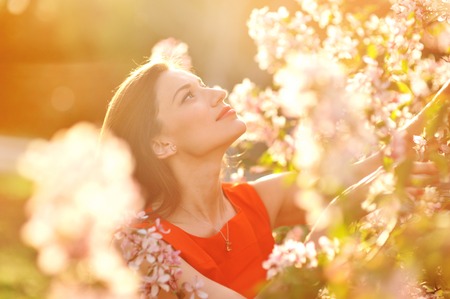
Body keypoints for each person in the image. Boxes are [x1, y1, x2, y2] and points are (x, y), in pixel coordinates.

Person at [101, 58, 441, 298]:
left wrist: (444, 103)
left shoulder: (253, 201)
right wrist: (340, 212)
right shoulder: (144, 246)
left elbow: (376, 165)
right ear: (161, 143)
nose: (217, 93)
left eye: (202, 85)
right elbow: (349, 194)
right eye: (189, 96)